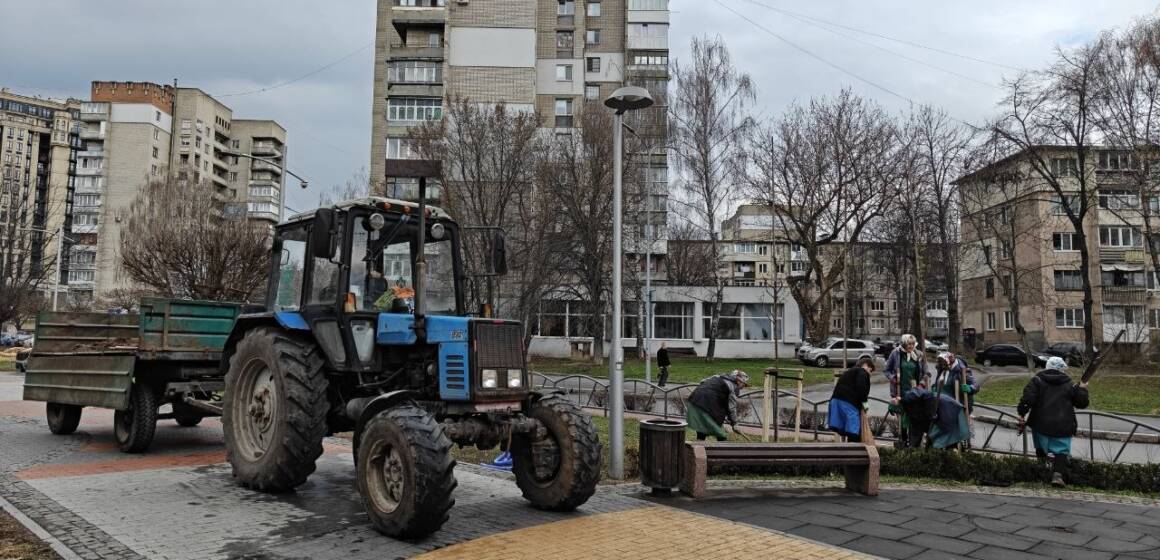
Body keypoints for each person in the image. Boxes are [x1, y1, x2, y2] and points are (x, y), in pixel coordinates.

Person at [1018, 356, 1089, 487]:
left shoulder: (1037, 380)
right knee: (1061, 450)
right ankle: (1057, 475)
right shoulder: (1069, 384)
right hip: (1063, 424)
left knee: (1041, 447)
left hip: (1040, 423)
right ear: (1063, 369)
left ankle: (1041, 471)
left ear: (1047, 367)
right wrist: (1083, 389)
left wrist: (1022, 414)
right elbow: (1082, 403)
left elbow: (1028, 399)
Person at [884, 334, 929, 447]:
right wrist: (892, 378)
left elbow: (926, 373)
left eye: (913, 344)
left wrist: (922, 384)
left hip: (915, 391)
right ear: (904, 343)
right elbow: (887, 370)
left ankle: (913, 443)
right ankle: (903, 441)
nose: (911, 346)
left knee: (914, 417)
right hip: (900, 390)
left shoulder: (918, 354)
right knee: (902, 418)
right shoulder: (896, 353)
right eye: (909, 344)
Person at [685, 370, 750, 441]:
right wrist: (734, 424)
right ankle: (721, 450)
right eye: (744, 384)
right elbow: (731, 407)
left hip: (694, 402)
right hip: (706, 406)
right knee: (721, 435)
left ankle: (698, 447)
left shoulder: (717, 377)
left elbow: (703, 382)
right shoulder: (733, 387)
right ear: (739, 381)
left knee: (702, 430)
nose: (743, 387)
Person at [827, 356, 875, 441]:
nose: (870, 374)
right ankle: (853, 452)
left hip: (835, 401)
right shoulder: (862, 371)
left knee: (845, 429)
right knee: (854, 432)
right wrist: (865, 403)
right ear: (866, 365)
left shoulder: (849, 372)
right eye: (870, 370)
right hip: (849, 404)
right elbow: (861, 387)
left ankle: (847, 451)